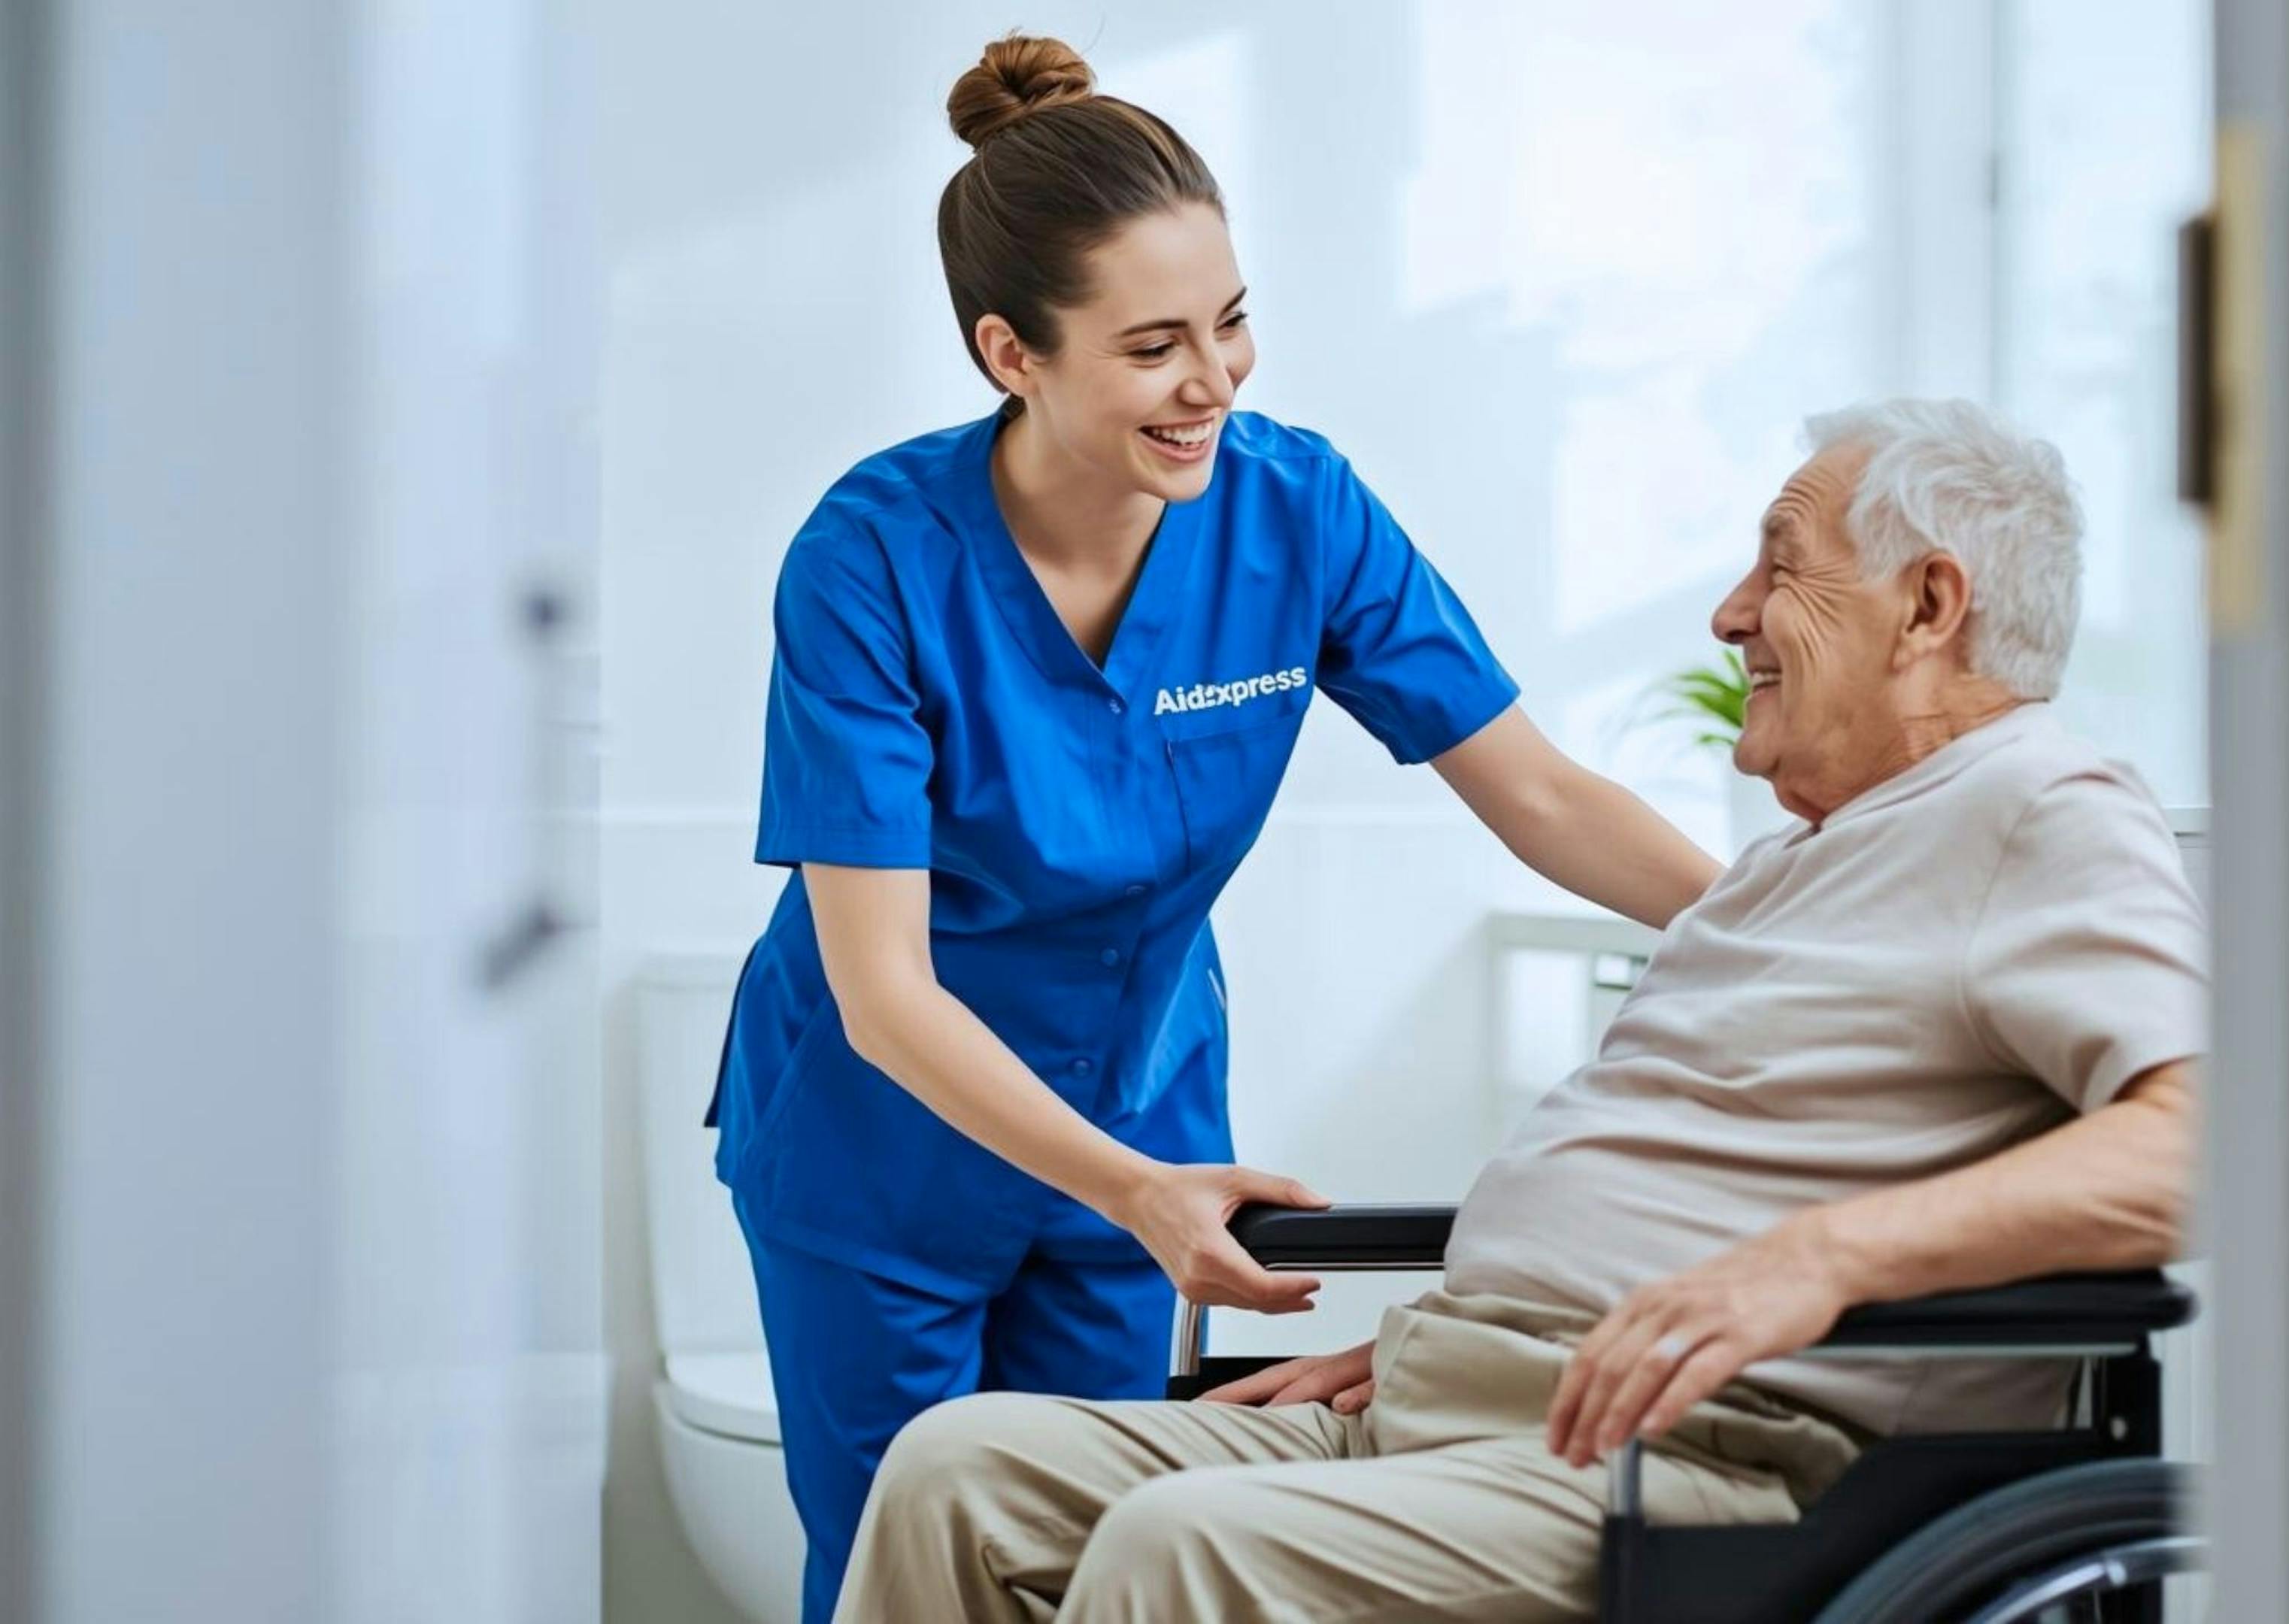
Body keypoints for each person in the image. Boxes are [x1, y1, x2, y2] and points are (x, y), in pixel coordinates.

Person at [829, 397, 2208, 1623]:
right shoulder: (1808, 858)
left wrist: (1823, 1260)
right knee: (957, 1474)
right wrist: (1455, 1336)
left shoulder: (2037, 809)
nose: (1729, 615)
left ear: (1929, 605)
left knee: (1186, 1553)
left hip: (1697, 1459)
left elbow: (2196, 1144)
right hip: (1469, 1402)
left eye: (1780, 569)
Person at [708, 34, 1723, 1624]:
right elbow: (883, 992)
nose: (1217, 383)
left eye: (1235, 323)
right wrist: (1134, 1189)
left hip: (1147, 1120)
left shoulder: (1296, 510)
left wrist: (1791, 932)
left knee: (1104, 1558)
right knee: (905, 1563)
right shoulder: (873, 557)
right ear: (1010, 354)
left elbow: (1539, 794)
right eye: (1155, 346)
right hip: (881, 1146)